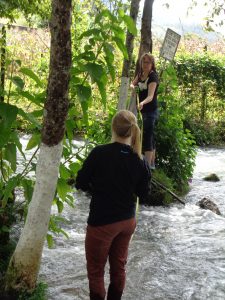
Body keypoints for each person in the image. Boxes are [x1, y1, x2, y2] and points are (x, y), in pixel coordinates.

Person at [75, 110, 151, 300]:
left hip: (101, 223)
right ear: (133, 131)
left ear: (113, 128)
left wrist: (97, 187)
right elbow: (144, 194)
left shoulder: (99, 153)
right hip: (127, 223)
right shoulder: (140, 161)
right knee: (119, 268)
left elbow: (81, 183)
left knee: (96, 271)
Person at [130, 53, 159, 169]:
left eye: (147, 62)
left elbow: (150, 96)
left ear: (152, 64)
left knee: (148, 136)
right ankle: (150, 164)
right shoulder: (140, 74)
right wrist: (134, 87)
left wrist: (142, 103)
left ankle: (147, 166)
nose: (145, 64)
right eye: (143, 62)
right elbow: (132, 84)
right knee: (146, 135)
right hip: (142, 111)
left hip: (151, 110)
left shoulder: (153, 77)